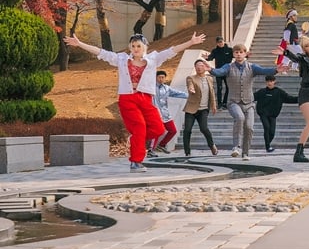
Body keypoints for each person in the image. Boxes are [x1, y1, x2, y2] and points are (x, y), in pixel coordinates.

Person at [62, 31, 206, 173]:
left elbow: (172, 51)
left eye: (138, 46)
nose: (135, 49)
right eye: (133, 46)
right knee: (140, 128)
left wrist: (191, 42)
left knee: (158, 129)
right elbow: (101, 53)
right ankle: (136, 162)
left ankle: (136, 139)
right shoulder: (122, 59)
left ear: (144, 47)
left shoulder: (154, 58)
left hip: (146, 98)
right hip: (128, 99)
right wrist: (80, 44)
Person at [208, 43, 287, 160]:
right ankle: (236, 147)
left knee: (249, 127)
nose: (239, 54)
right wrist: (210, 69)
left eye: (241, 52)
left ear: (245, 54)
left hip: (249, 103)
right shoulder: (228, 67)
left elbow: (264, 70)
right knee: (240, 118)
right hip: (233, 102)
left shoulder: (252, 67)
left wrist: (276, 70)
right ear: (233, 54)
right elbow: (219, 72)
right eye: (236, 52)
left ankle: (245, 153)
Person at [146, 70, 189, 157]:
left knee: (173, 130)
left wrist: (190, 96)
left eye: (163, 77)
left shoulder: (166, 88)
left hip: (165, 114)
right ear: (156, 78)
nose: (161, 79)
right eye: (159, 77)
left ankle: (161, 145)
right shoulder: (150, 87)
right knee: (157, 131)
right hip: (155, 113)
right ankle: (150, 150)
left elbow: (177, 93)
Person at [183, 58, 219, 157]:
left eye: (201, 65)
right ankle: (187, 152)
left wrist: (214, 105)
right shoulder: (191, 78)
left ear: (205, 67)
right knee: (187, 130)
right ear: (195, 67)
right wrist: (191, 89)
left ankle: (212, 145)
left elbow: (212, 92)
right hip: (191, 109)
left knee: (204, 128)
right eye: (197, 66)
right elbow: (190, 85)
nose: (199, 67)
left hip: (203, 109)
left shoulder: (209, 78)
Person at [254, 75, 298, 153]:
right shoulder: (262, 92)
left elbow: (289, 98)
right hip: (263, 114)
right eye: (268, 81)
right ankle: (268, 147)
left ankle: (268, 144)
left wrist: (301, 99)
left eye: (271, 81)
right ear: (266, 82)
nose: (269, 83)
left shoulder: (279, 92)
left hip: (273, 115)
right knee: (266, 127)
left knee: (272, 132)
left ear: (274, 81)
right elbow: (251, 97)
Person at [207, 36, 233, 106]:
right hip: (218, 72)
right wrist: (207, 58)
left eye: (221, 42)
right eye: (218, 42)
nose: (220, 43)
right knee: (219, 88)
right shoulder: (215, 51)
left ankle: (225, 102)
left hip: (227, 71)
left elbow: (237, 55)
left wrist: (246, 55)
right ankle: (219, 103)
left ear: (224, 41)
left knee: (228, 87)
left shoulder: (230, 50)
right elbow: (211, 57)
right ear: (217, 43)